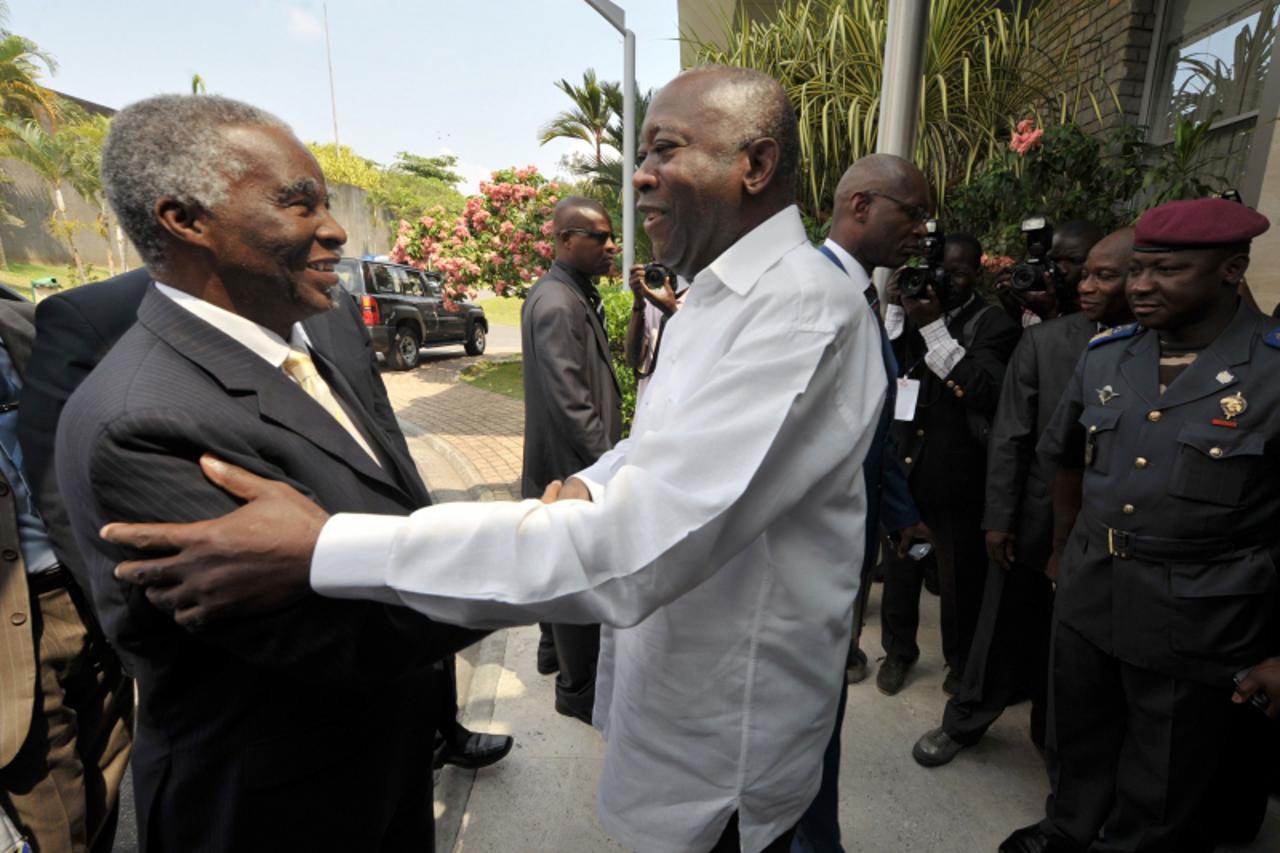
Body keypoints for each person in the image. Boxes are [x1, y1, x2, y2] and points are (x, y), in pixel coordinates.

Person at [103, 67, 887, 853]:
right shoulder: (716, 298)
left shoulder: (796, 314)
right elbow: (659, 450)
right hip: (674, 704)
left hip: (728, 740)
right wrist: (591, 478)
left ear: (753, 164)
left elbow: (636, 547)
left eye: (666, 148)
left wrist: (322, 545)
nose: (639, 174)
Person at [53, 94, 483, 851]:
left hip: (382, 764)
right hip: (273, 810)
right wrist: (557, 558)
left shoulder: (303, 336)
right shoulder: (141, 421)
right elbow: (341, 636)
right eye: (297, 202)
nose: (334, 227)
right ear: (186, 220)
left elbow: (393, 502)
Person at [1001, 197, 1277, 853]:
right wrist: (1064, 550)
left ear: (1231, 270)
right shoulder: (1108, 355)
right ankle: (1066, 830)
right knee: (1076, 739)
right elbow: (1067, 458)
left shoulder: (1270, 372)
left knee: (1163, 774)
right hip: (1093, 588)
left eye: (1167, 271)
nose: (1141, 286)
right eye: (1139, 269)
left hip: (1200, 613)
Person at [912, 227, 1135, 768]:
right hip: (1032, 520)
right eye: (1072, 270)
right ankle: (966, 721)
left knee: (1076, 653)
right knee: (997, 628)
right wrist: (998, 519)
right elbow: (1010, 435)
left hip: (1111, 531)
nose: (1076, 281)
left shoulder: (1159, 348)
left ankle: (1054, 745)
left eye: (1091, 270)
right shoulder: (1046, 341)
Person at [792, 153, 931, 853]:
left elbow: (871, 431)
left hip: (851, 545)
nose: (922, 229)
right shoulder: (816, 297)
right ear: (861, 206)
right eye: (913, 212)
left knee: (820, 717)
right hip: (811, 557)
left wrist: (900, 514)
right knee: (808, 722)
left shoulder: (858, 297)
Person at [0, 299, 132, 853]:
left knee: (106, 781)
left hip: (86, 592)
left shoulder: (29, 324)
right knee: (51, 822)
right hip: (11, 636)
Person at [879, 234, 1021, 695]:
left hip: (956, 474)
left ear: (976, 272)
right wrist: (896, 307)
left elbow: (984, 390)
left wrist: (934, 325)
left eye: (958, 272)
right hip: (906, 469)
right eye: (941, 270)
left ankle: (961, 665)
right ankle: (898, 652)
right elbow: (888, 368)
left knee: (959, 580)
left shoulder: (994, 324)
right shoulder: (914, 312)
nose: (946, 280)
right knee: (902, 568)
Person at [521, 196, 621, 723]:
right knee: (577, 591)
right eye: (599, 237)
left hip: (566, 465)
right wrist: (611, 466)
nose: (611, 246)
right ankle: (576, 690)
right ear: (564, 240)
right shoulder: (558, 302)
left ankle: (548, 652)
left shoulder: (570, 292)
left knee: (557, 577)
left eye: (610, 237)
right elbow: (571, 399)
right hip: (572, 470)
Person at [996, 220, 1103, 326]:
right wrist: (1014, 312)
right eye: (1054, 260)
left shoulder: (1104, 307)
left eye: (1073, 261)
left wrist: (1049, 314)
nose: (1062, 269)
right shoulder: (1039, 301)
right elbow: (1028, 342)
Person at [625, 262, 687, 401]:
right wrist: (639, 302)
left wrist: (671, 311)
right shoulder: (651, 302)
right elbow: (632, 360)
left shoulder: (697, 300)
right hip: (649, 405)